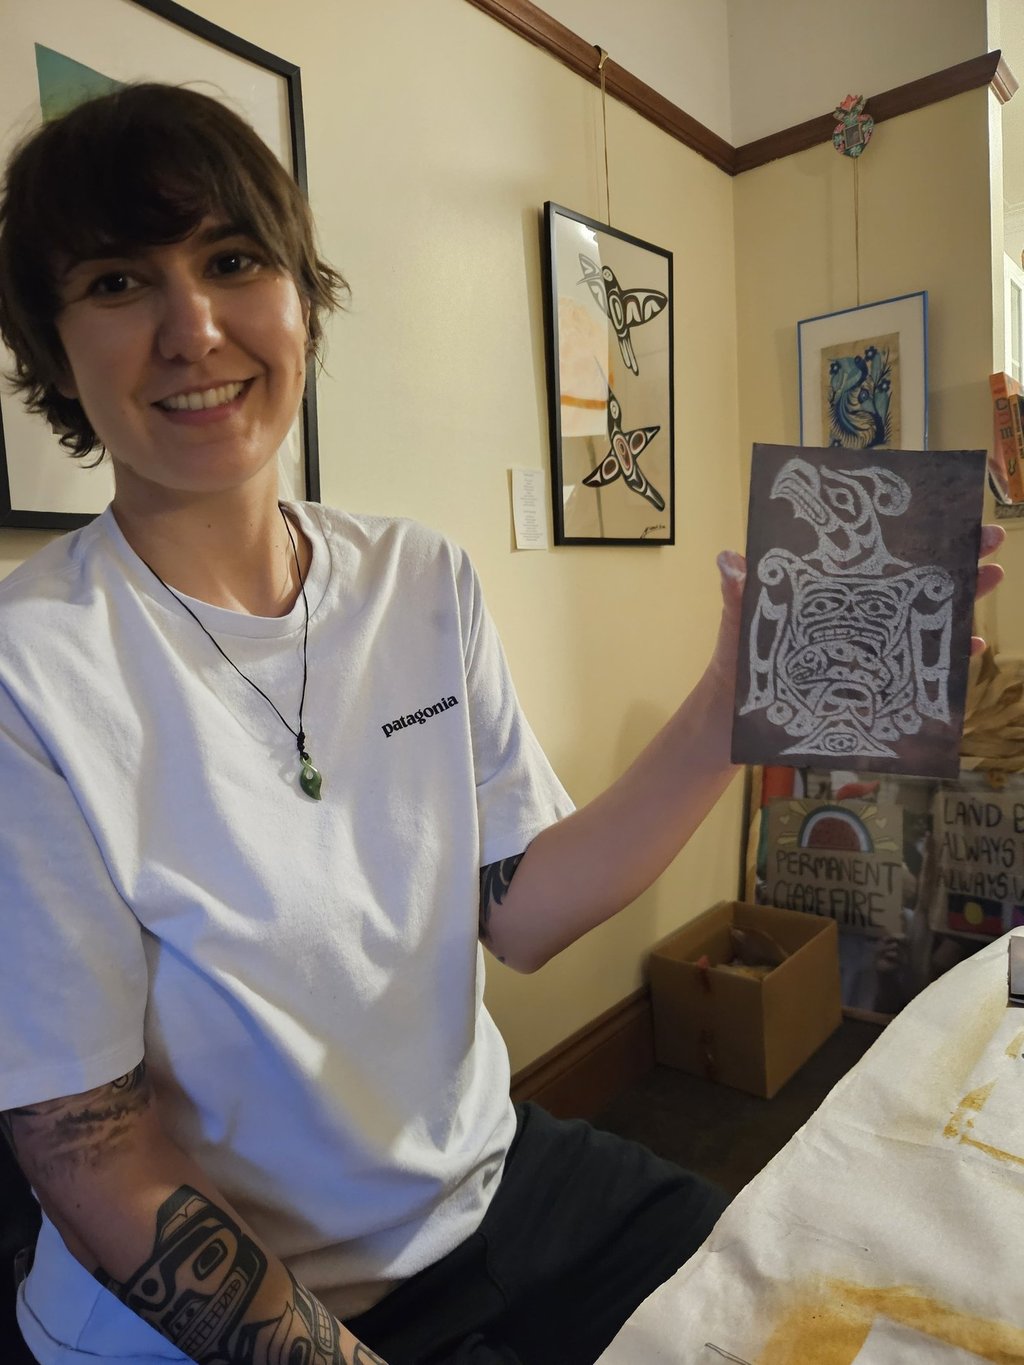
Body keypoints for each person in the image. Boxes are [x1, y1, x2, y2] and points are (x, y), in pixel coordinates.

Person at [0, 85, 1003, 1365]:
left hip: (483, 1185)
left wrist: (737, 701)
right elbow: (90, 1150)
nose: (194, 329)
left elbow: (516, 912)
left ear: (301, 297)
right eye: (117, 283)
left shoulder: (419, 578)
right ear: (53, 349)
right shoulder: (31, 670)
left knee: (802, 1309)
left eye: (233, 260)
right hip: (216, 1310)